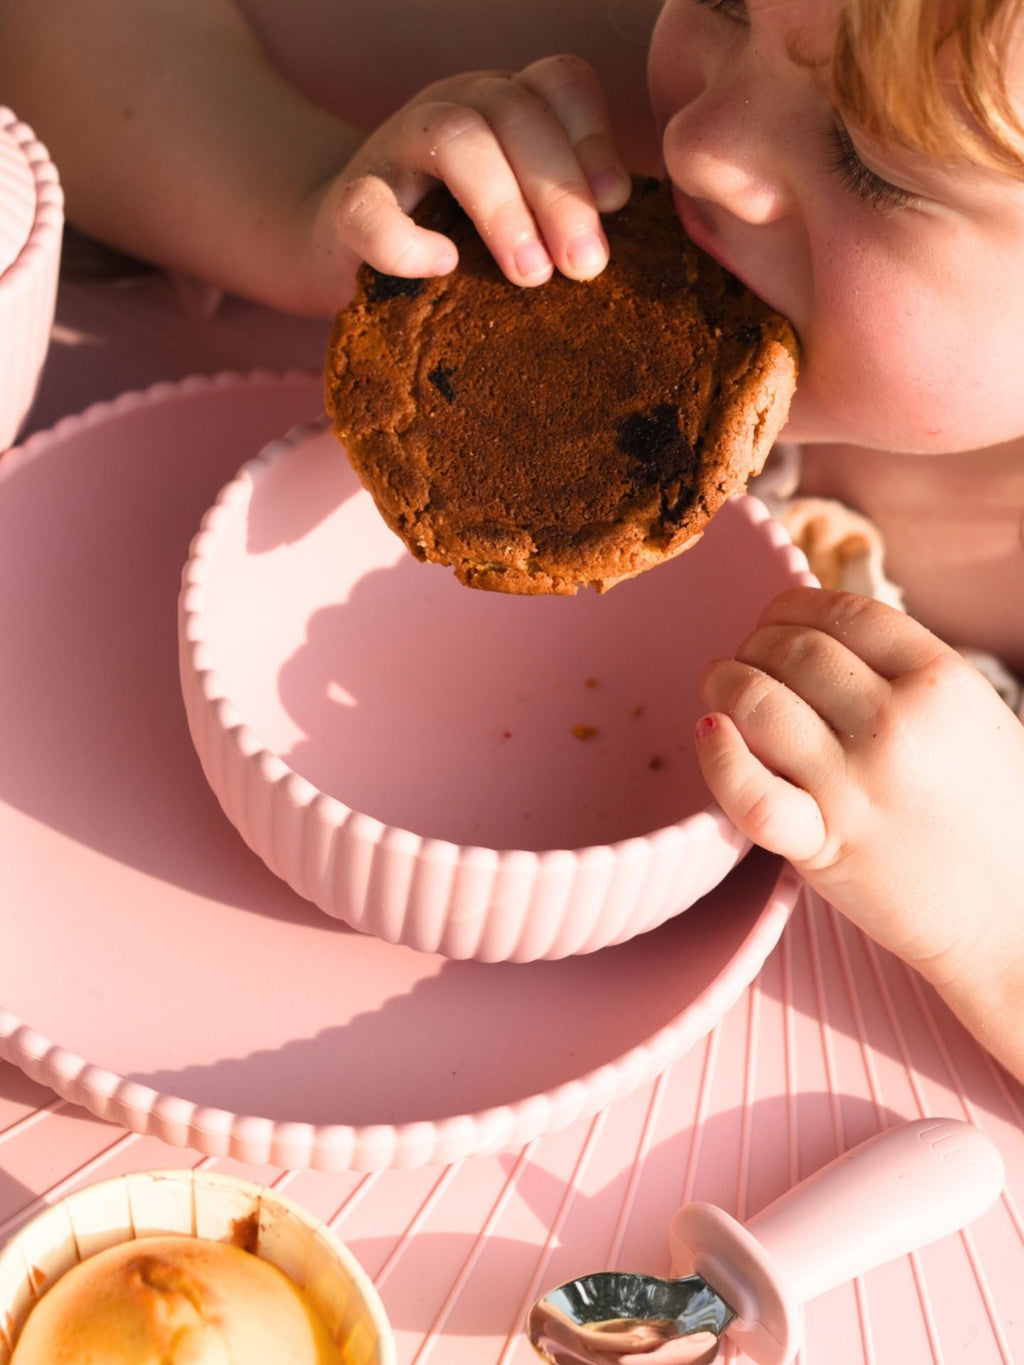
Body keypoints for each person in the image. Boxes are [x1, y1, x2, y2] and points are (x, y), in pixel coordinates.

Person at [2, 0, 1022, 1083]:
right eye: (722, 3)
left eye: (875, 168)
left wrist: (996, 916)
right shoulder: (599, 119)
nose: (704, 147)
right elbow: (64, 30)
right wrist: (300, 195)